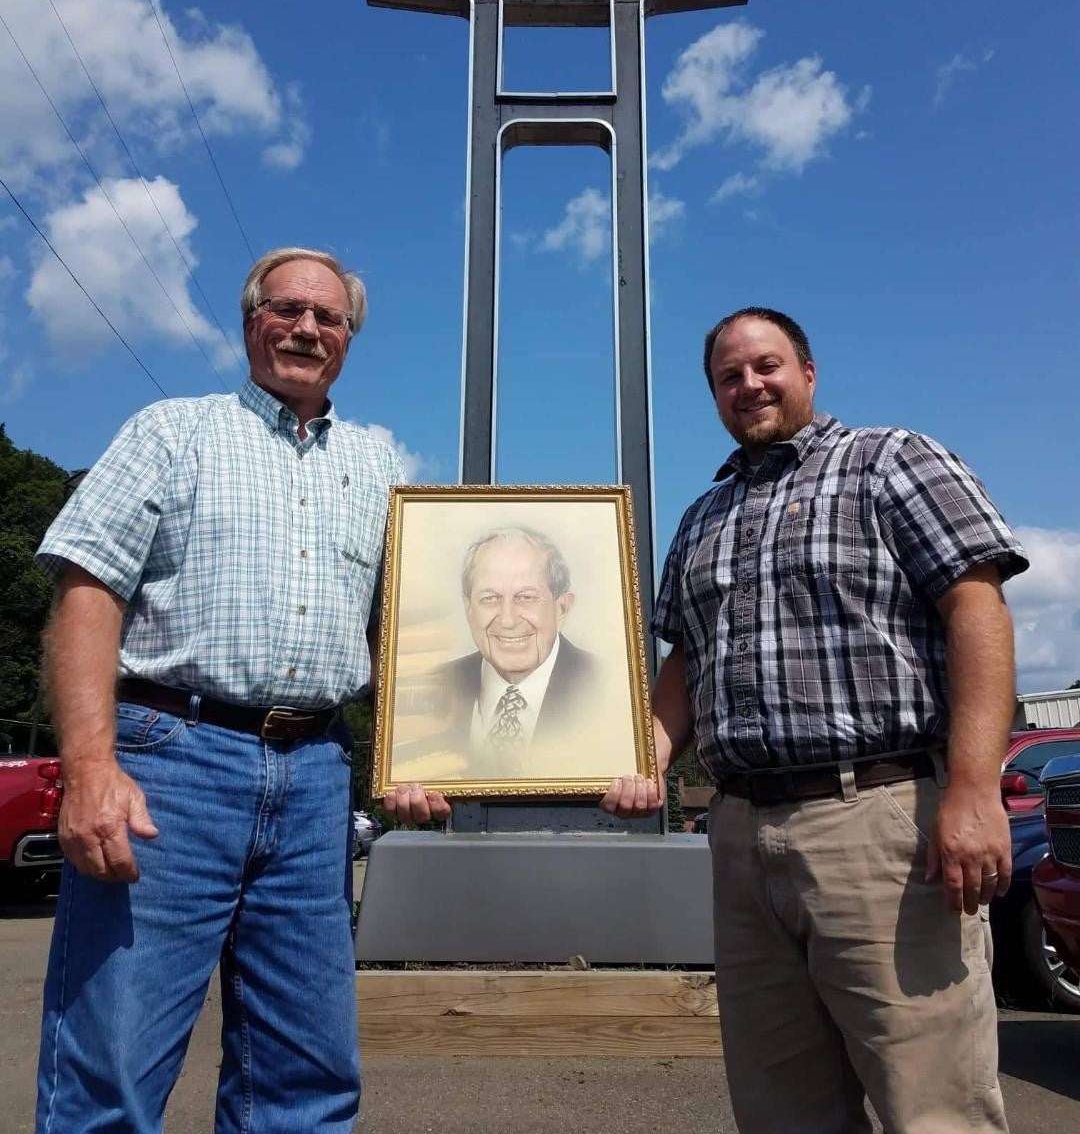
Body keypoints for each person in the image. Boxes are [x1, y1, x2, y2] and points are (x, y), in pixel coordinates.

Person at [603, 306, 1027, 1134]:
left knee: (933, 1107)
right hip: (738, 836)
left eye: (766, 366)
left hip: (878, 825)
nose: (748, 385)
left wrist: (975, 790)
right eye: (729, 377)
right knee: (782, 1110)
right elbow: (683, 668)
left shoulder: (892, 461)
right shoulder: (701, 520)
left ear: (807, 371)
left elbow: (977, 610)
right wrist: (645, 759)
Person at [34, 247, 407, 1134]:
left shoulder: (383, 464)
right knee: (112, 1076)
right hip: (171, 764)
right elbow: (88, 590)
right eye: (286, 309)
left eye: (328, 317)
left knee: (305, 1080)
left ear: (349, 340)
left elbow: (409, 633)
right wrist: (89, 766)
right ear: (251, 323)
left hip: (318, 773)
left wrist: (422, 755)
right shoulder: (173, 431)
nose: (307, 328)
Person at [393, 527, 608, 780]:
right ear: (468, 607)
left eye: (526, 597)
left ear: (562, 607)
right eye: (490, 598)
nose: (507, 620)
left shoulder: (606, 687)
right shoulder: (430, 689)